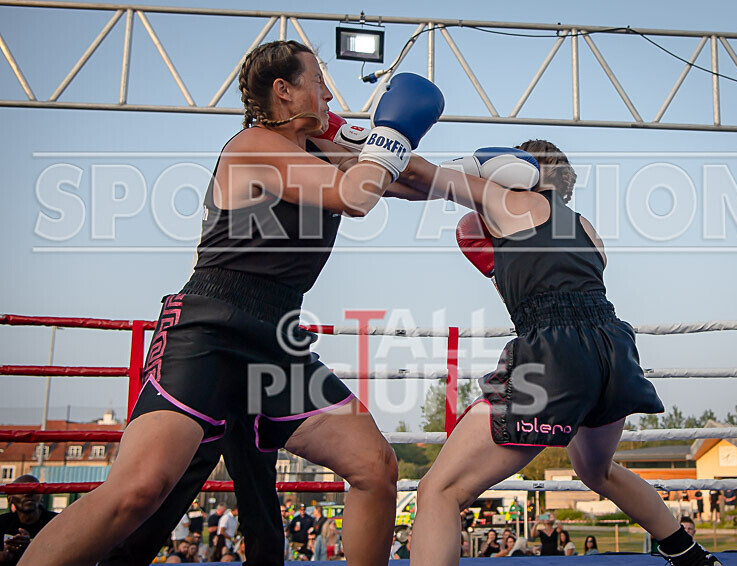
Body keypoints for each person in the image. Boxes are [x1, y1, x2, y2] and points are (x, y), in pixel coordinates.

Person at [19, 40, 443, 566]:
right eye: (317, 79)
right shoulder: (252, 145)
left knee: (374, 466)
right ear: (283, 91)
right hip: (210, 325)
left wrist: (494, 183)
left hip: (278, 336)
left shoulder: (326, 151)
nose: (329, 92)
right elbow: (355, 196)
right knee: (138, 491)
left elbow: (413, 181)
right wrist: (385, 138)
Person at [402, 142, 722, 566]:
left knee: (439, 490)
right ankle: (690, 556)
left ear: (516, 168)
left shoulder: (508, 199)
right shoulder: (586, 228)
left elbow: (421, 176)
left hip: (557, 355)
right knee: (597, 471)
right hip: (612, 351)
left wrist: (372, 150)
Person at [0, 475, 57, 564]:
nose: (28, 494)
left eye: (34, 490)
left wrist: (32, 547)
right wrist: (5, 556)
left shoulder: (56, 522)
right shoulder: (2, 523)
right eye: (21, 490)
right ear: (10, 498)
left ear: (41, 496)